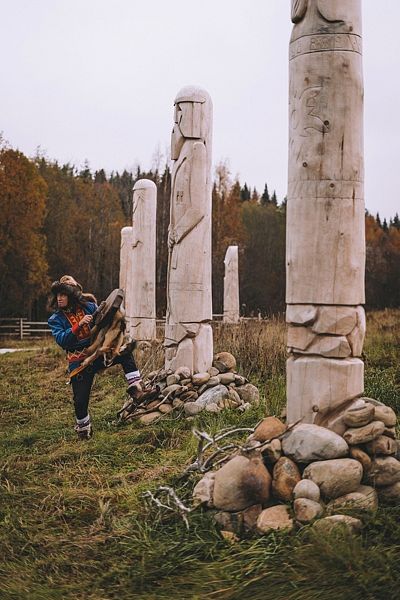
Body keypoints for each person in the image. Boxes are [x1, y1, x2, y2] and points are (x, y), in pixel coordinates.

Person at [48, 275, 142, 440]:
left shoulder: (90, 307)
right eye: (58, 295)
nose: (59, 298)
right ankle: (84, 430)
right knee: (80, 401)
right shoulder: (55, 319)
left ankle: (136, 388)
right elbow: (62, 340)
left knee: (125, 353)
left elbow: (105, 320)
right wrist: (79, 325)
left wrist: (113, 318)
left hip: (98, 354)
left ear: (72, 295)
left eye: (63, 294)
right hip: (79, 363)